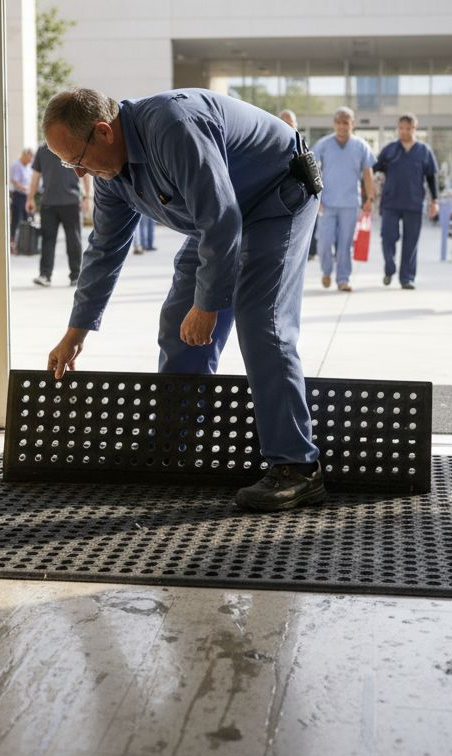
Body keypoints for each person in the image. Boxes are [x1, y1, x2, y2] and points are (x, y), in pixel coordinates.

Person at [41, 87, 325, 512]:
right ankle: (179, 440)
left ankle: (298, 467)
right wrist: (76, 331)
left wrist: (209, 304)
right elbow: (103, 250)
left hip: (274, 197)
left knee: (260, 324)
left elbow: (223, 219)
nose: (78, 172)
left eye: (76, 160)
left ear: (103, 132)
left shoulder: (173, 127)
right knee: (179, 322)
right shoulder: (112, 175)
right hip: (218, 216)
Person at [311, 106, 375, 291]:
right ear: (334, 124)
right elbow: (312, 171)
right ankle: (326, 271)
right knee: (324, 242)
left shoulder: (361, 146)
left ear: (352, 124)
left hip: (349, 204)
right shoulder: (323, 144)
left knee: (345, 245)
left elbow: (368, 173)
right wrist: (315, 198)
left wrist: (369, 198)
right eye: (338, 122)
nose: (341, 126)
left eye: (345, 123)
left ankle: (343, 279)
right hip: (326, 204)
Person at [375, 114, 439, 289]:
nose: (405, 131)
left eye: (408, 128)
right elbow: (375, 169)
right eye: (401, 128)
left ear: (415, 128)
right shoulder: (389, 150)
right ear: (398, 129)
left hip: (414, 202)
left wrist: (434, 201)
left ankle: (407, 278)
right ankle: (390, 267)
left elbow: (431, 178)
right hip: (390, 202)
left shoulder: (424, 151)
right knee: (388, 237)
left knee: (411, 242)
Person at [27, 143, 92, 286]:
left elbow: (85, 173)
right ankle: (45, 275)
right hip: (49, 203)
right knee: (48, 241)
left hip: (71, 203)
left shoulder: (73, 143)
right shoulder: (42, 150)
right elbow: (36, 176)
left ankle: (76, 275)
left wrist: (87, 196)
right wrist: (30, 198)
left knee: (73, 240)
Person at [9, 147, 34, 253]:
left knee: (26, 220)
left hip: (26, 196)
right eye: (30, 157)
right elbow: (13, 180)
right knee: (16, 220)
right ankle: (12, 244)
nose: (31, 160)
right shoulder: (16, 164)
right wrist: (23, 187)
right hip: (18, 195)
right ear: (25, 155)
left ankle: (23, 244)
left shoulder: (28, 167)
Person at [437, 185, 452, 262]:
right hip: (449, 221)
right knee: (450, 238)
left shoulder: (445, 197)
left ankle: (449, 257)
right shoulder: (448, 196)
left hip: (450, 221)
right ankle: (447, 256)